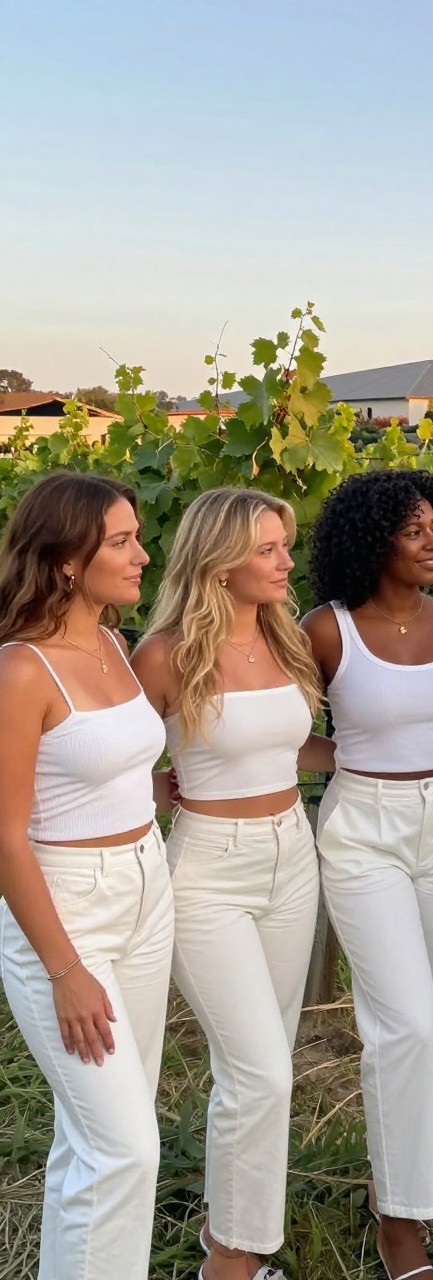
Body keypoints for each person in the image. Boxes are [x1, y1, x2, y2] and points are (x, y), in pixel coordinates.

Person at [302, 468, 433, 1280]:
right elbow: (288, 730)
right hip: (362, 830)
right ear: (371, 539)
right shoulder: (324, 630)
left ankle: (403, 1184)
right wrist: (348, 756)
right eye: (414, 529)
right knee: (406, 1022)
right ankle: (400, 1225)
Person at [132, 487, 331, 1280]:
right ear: (219, 562)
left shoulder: (286, 642)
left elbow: (292, 750)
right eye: (268, 550)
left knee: (263, 1066)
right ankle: (232, 1266)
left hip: (293, 855)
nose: (287, 561)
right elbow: (107, 750)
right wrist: (153, 788)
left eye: (285, 545)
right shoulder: (167, 655)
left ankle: (236, 1245)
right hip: (210, 869)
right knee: (259, 1069)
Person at [0, 472, 175, 1279]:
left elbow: (117, 770)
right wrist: (64, 971)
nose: (143, 553)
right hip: (68, 914)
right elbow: (5, 834)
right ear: (69, 559)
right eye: (121, 541)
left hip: (146, 888)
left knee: (101, 1140)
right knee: (127, 1150)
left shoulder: (109, 642)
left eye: (137, 535)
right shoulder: (23, 670)